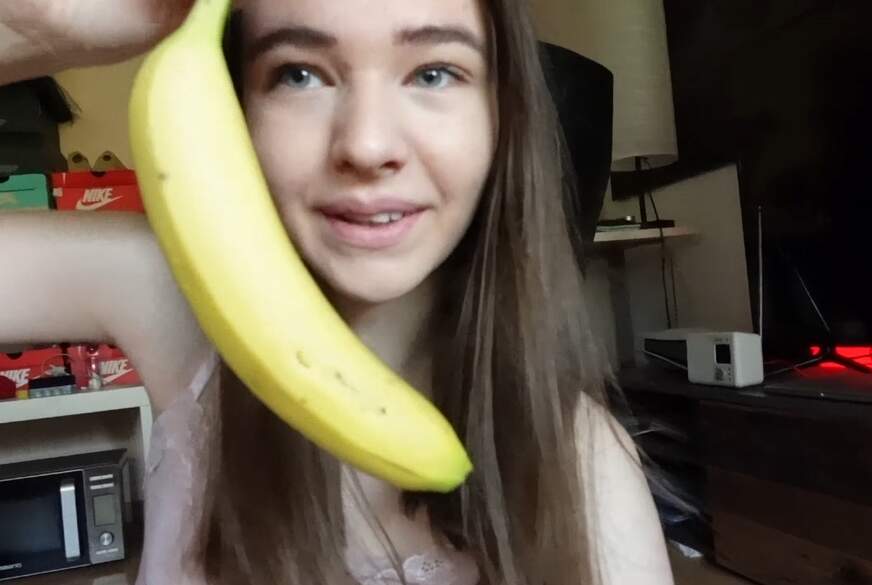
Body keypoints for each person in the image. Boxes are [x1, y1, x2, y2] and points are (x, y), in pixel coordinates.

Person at [0, 1, 675, 584]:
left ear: (502, 115)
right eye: (299, 74)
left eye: (433, 72)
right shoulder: (170, 301)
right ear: (237, 111)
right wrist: (37, 28)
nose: (367, 145)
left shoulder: (587, 476)